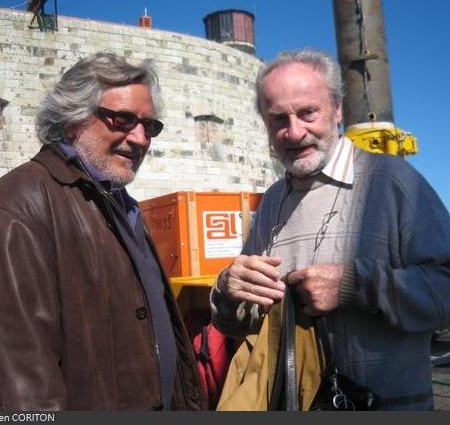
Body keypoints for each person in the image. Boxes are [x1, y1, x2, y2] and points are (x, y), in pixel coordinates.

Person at [211, 48, 450, 410]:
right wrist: (229, 290)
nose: (294, 132)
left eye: (308, 112)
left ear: (337, 109)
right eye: (278, 119)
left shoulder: (393, 183)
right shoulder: (273, 200)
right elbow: (241, 323)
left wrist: (356, 286)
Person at [0, 53, 206, 411]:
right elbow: (22, 377)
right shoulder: (22, 201)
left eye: (149, 126)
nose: (140, 139)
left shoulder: (122, 203)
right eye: (123, 120)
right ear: (72, 119)